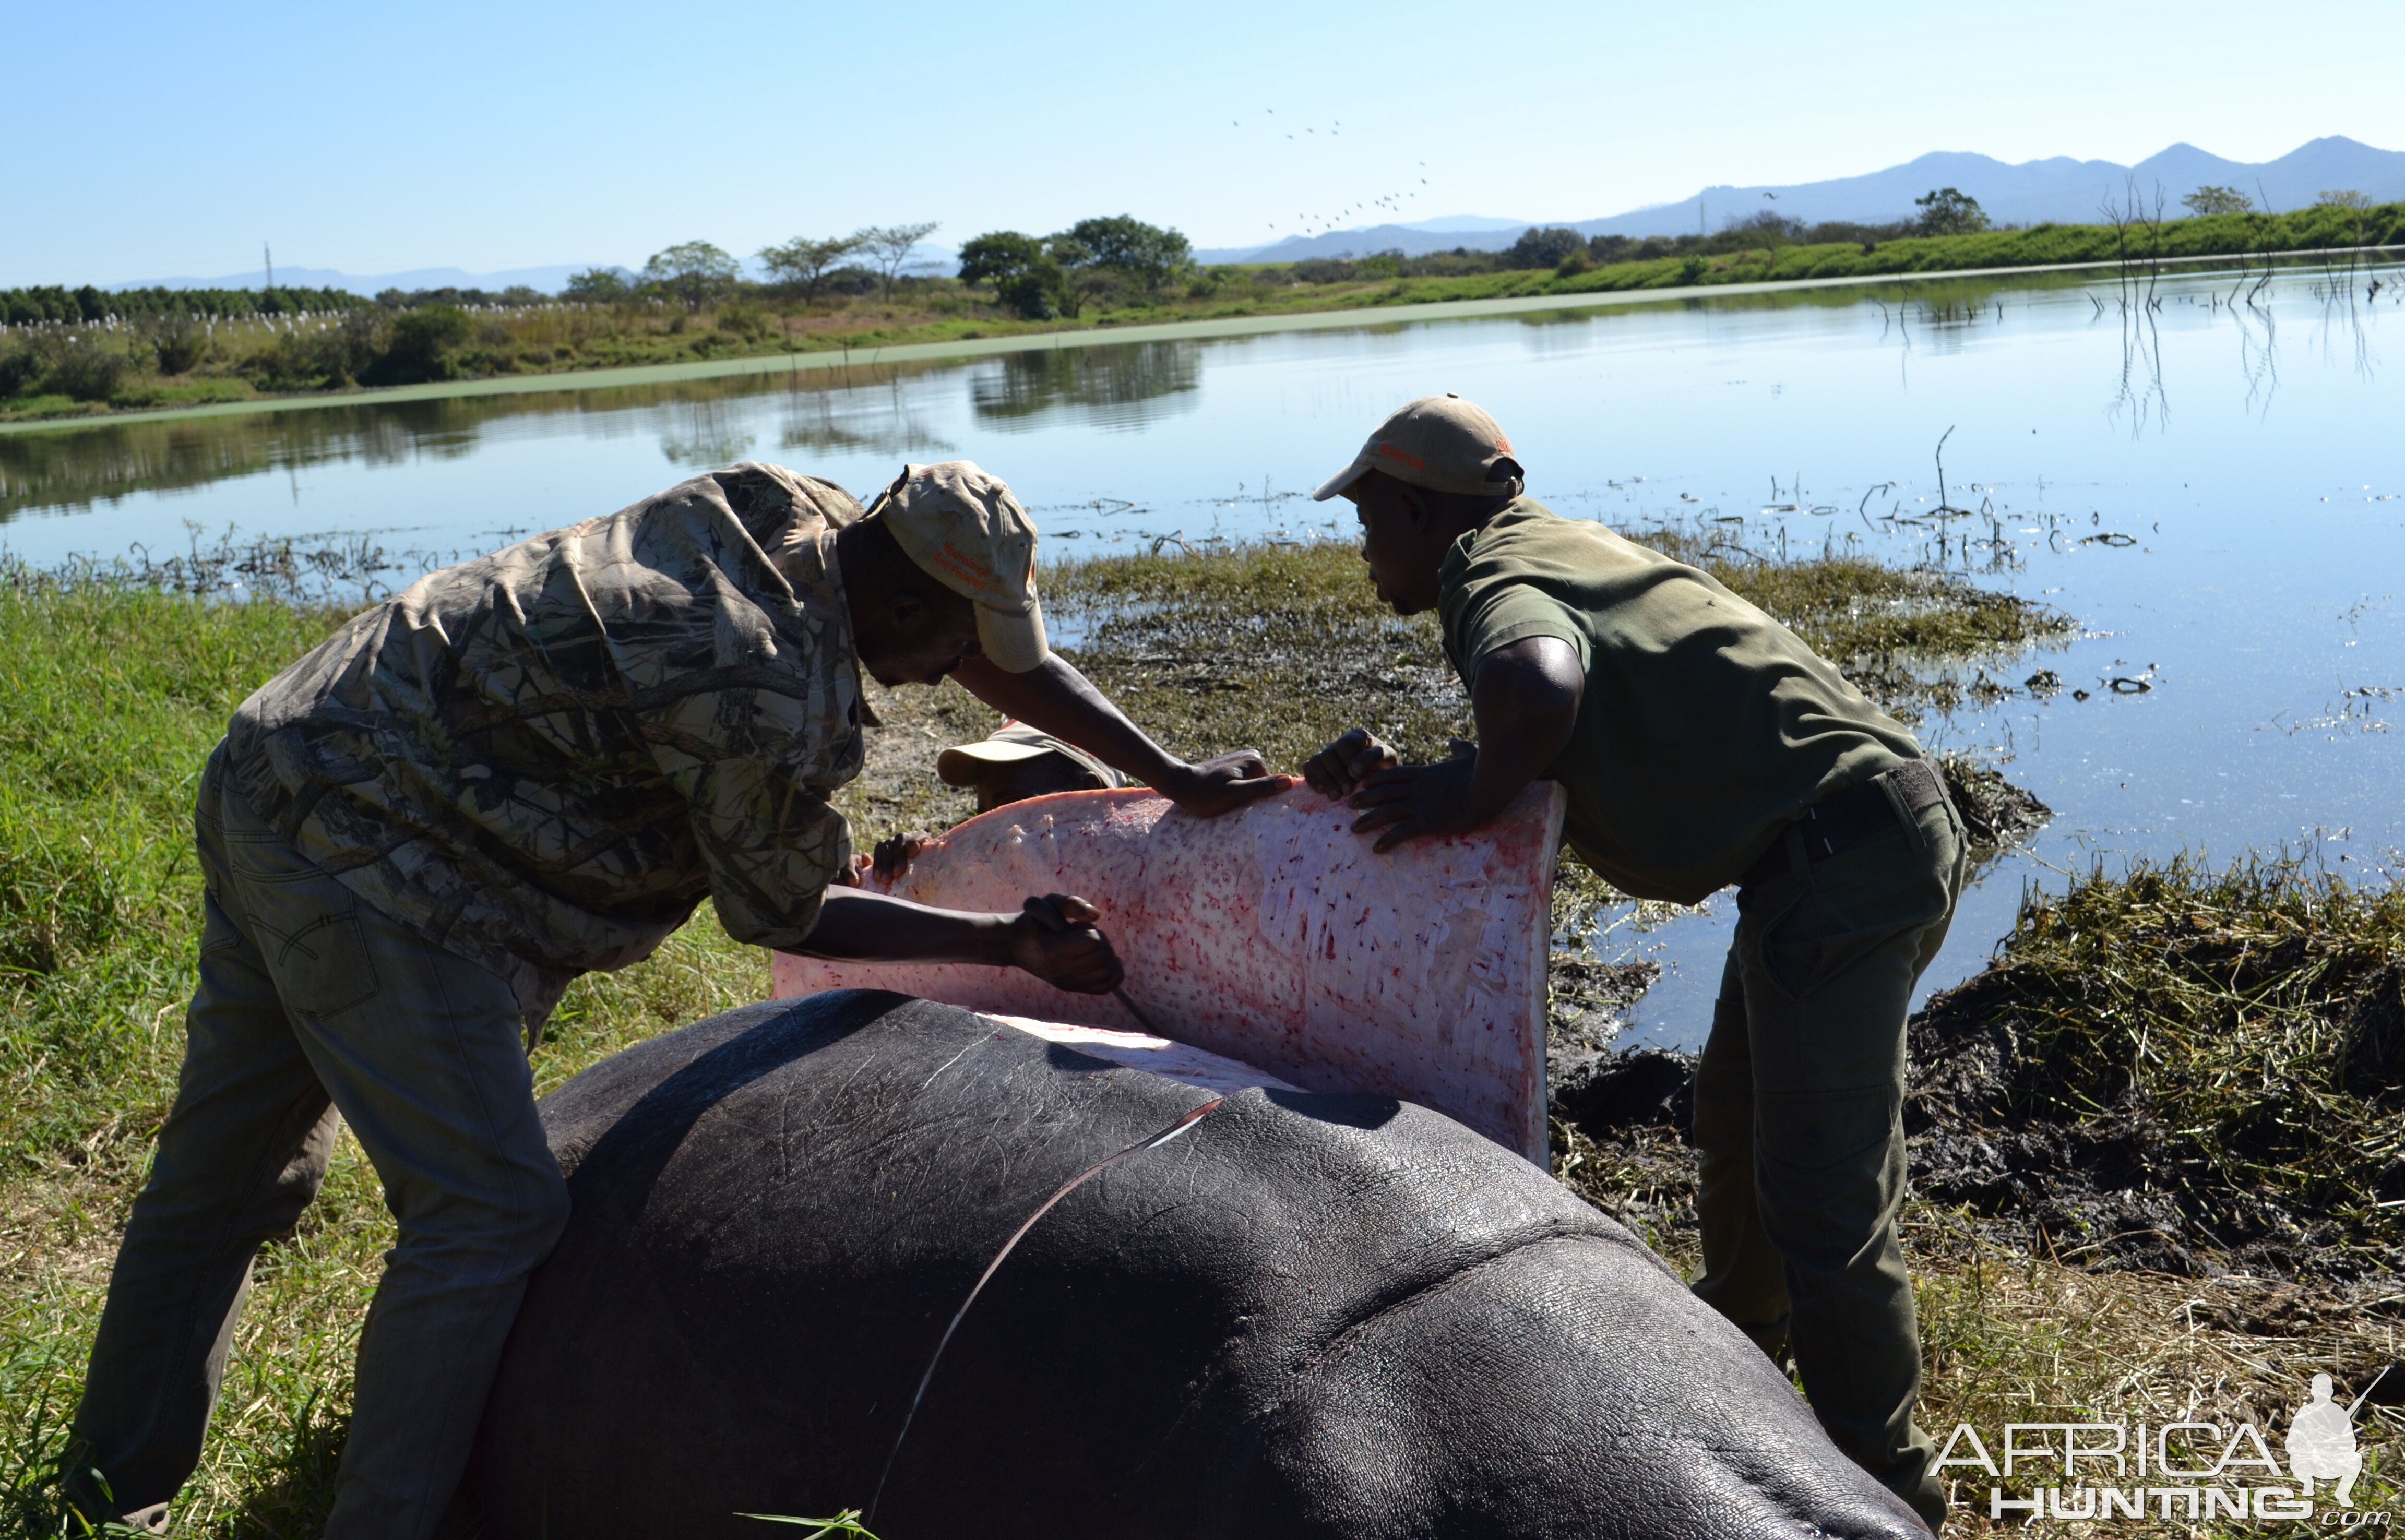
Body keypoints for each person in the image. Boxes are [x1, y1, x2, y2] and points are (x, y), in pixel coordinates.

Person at [61, 460, 1285, 1538]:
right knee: (485, 1211)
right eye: (955, 656)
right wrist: (1008, 942)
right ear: (906, 604)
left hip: (285, 754)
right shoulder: (752, 675)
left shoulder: (796, 514)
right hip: (379, 861)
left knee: (227, 1181)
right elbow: (786, 909)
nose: (958, 687)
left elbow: (997, 660)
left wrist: (1165, 770)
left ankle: (109, 1497)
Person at [1298, 396, 1964, 1529]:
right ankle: (1739, 1384)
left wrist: (1466, 790)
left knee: (1821, 1195)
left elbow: (1539, 687)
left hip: (1841, 858)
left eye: (1370, 526)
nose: (1367, 555)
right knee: (1737, 1127)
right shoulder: (1546, 544)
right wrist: (1450, 770)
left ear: (1417, 508)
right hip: (1837, 847)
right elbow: (1572, 710)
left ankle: (1890, 1500)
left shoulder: (1486, 578)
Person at [861, 720, 1127, 879]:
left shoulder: (1152, 885)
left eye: (1012, 806)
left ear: (1088, 795)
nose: (988, 834)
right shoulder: (984, 887)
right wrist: (894, 882)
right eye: (982, 815)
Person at [2286, 1373, 2363, 1506]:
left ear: (2331, 1392)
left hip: (2333, 1461)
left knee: (2357, 1458)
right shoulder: (2305, 1412)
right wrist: (2310, 1448)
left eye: (2326, 1390)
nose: (2322, 1394)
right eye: (2318, 1390)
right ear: (2313, 1391)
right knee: (2296, 1459)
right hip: (2310, 1461)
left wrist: (2336, 1444)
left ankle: (2343, 1493)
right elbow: (2290, 1443)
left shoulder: (2339, 1413)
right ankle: (2308, 1488)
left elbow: (2352, 1444)